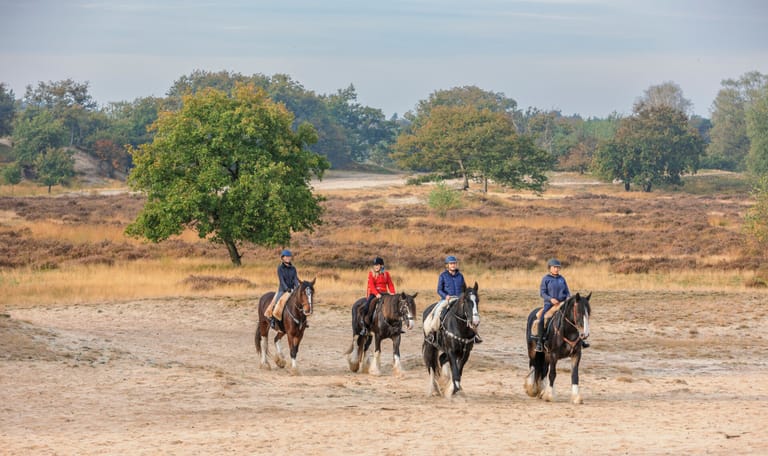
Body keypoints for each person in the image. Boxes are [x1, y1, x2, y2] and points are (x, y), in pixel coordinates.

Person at [424, 255, 482, 345]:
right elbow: (439, 290)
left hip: (459, 299)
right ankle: (432, 333)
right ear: (447, 265)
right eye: (451, 264)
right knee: (438, 311)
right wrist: (446, 296)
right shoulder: (443, 276)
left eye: (454, 263)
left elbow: (464, 288)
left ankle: (474, 335)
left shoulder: (460, 276)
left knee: (470, 312)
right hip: (447, 299)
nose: (453, 265)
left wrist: (464, 296)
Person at [534, 258, 587, 351]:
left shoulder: (562, 279)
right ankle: (539, 342)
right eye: (555, 267)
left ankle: (580, 341)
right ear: (550, 268)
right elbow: (542, 293)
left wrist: (568, 298)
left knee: (574, 317)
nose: (557, 269)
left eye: (558, 267)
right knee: (542, 318)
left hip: (562, 304)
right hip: (550, 304)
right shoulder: (546, 279)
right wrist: (550, 299)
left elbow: (567, 292)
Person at [359, 256, 396, 335]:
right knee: (367, 306)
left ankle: (395, 326)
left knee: (394, 305)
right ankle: (365, 327)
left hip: (385, 294)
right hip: (374, 294)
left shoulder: (386, 274)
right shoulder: (371, 274)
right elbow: (371, 286)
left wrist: (393, 292)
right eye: (375, 265)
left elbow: (390, 284)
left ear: (381, 265)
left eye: (377, 265)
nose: (376, 266)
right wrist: (376, 294)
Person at [264, 249, 300, 328]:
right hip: (283, 290)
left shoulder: (293, 268)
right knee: (277, 302)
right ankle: (273, 319)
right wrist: (286, 288)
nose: (288, 258)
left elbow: (295, 279)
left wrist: (297, 287)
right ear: (282, 258)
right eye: (286, 257)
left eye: (289, 256)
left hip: (292, 290)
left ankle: (302, 321)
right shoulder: (280, 268)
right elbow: (281, 280)